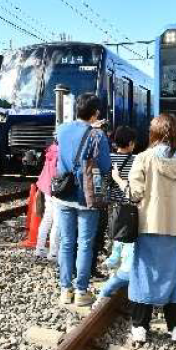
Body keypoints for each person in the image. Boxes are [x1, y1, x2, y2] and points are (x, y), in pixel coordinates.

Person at [112, 114, 176, 343]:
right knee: (174, 275)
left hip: (149, 224)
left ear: (154, 133)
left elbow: (134, 193)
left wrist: (120, 181)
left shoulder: (143, 158)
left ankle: (140, 327)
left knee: (143, 273)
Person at [54, 93, 112, 307]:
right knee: (85, 244)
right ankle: (81, 291)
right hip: (87, 196)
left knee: (66, 243)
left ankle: (65, 289)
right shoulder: (98, 135)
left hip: (64, 193)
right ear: (95, 113)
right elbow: (105, 166)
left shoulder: (62, 129)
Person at [92, 126, 137, 278]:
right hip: (129, 202)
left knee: (113, 229)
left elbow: (103, 178)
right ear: (130, 143)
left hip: (112, 202)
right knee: (127, 233)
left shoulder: (109, 159)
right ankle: (124, 263)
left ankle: (113, 257)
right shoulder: (135, 160)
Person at [35, 141, 61, 260]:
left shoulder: (50, 151)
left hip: (46, 188)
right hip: (56, 190)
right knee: (57, 222)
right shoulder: (60, 152)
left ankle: (39, 248)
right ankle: (53, 252)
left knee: (47, 219)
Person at [92, 240, 134, 309]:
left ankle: (99, 305)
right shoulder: (121, 237)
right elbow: (115, 253)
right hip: (125, 272)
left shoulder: (122, 234)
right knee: (107, 289)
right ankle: (98, 305)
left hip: (128, 273)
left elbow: (116, 253)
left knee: (108, 287)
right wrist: (107, 264)